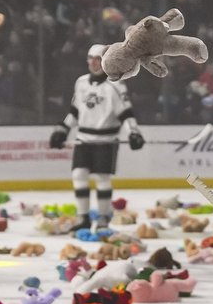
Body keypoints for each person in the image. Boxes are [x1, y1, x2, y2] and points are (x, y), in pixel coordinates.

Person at [49, 44, 144, 233]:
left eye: (98, 59)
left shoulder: (116, 85)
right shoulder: (81, 83)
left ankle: (103, 217)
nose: (93, 63)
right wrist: (63, 129)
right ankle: (83, 217)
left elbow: (126, 113)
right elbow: (75, 111)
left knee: (102, 178)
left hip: (105, 141)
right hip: (83, 139)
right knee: (78, 175)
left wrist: (134, 132)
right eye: (91, 58)